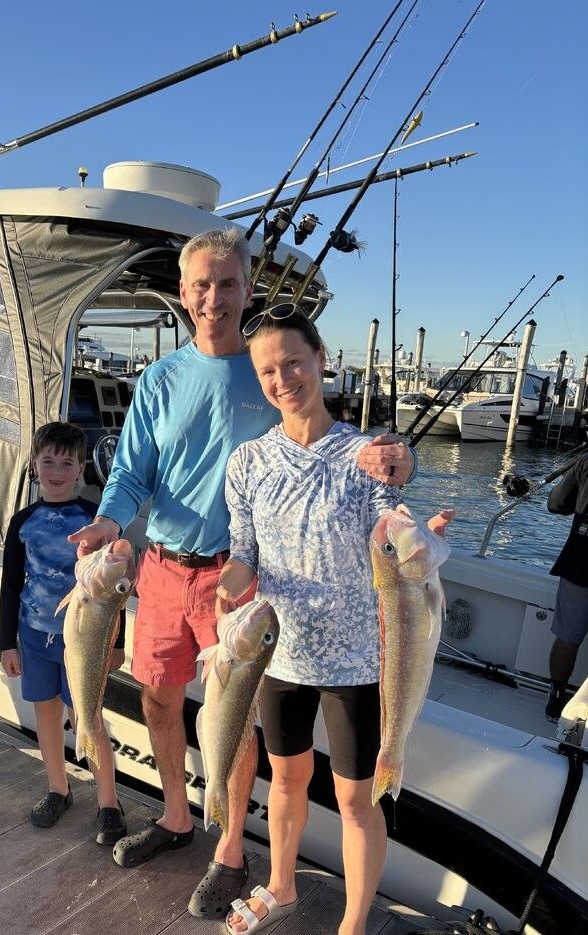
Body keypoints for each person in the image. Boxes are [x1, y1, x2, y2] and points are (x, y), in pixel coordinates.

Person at [67, 228, 416, 920]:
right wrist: (110, 521)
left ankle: (230, 847)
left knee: (238, 722)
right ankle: (175, 816)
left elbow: (358, 456)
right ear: (183, 293)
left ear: (247, 290)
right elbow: (133, 473)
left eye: (227, 283)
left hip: (244, 583)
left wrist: (401, 457)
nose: (213, 297)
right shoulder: (160, 379)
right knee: (161, 703)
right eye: (201, 284)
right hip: (165, 566)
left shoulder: (270, 370)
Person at [216, 305, 449, 935]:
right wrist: (226, 589)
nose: (283, 378)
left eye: (293, 361)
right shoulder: (246, 464)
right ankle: (282, 887)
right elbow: (246, 554)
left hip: (357, 659)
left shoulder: (363, 452)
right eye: (268, 369)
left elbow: (392, 506)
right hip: (278, 653)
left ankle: (352, 923)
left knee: (355, 797)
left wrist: (404, 477)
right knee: (286, 779)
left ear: (321, 359)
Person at [0, 421, 127, 843]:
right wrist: (6, 644)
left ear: (82, 467)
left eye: (66, 462)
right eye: (48, 460)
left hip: (84, 642)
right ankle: (58, 787)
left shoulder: (94, 521)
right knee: (46, 714)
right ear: (34, 464)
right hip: (34, 636)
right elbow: (11, 584)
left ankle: (108, 800)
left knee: (88, 717)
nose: (56, 469)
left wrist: (117, 644)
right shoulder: (22, 521)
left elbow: (113, 590)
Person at [545, 451, 588, 721]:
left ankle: (556, 699)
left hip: (580, 563)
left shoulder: (586, 460)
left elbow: (557, 503)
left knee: (567, 637)